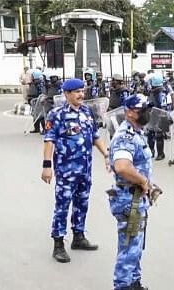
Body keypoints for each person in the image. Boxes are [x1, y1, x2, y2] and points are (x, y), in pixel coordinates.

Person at [41, 78, 110, 263]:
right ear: (66, 94)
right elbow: (49, 140)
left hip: (85, 169)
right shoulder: (57, 114)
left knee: (82, 203)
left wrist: (106, 154)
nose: (81, 95)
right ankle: (58, 244)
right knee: (62, 206)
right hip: (65, 171)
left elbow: (95, 136)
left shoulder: (87, 112)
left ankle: (78, 237)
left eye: (82, 91)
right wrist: (47, 166)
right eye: (77, 92)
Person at [108, 94, 157, 290]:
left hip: (137, 196)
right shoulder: (125, 136)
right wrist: (143, 181)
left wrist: (148, 184)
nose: (147, 114)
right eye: (142, 110)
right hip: (129, 199)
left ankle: (134, 282)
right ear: (129, 113)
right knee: (129, 247)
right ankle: (123, 285)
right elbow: (122, 167)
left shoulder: (137, 132)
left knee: (136, 246)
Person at [147, 75, 168, 160]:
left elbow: (163, 106)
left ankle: (161, 153)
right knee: (150, 134)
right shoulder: (152, 92)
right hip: (152, 115)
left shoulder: (162, 92)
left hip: (160, 115)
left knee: (159, 135)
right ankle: (151, 151)